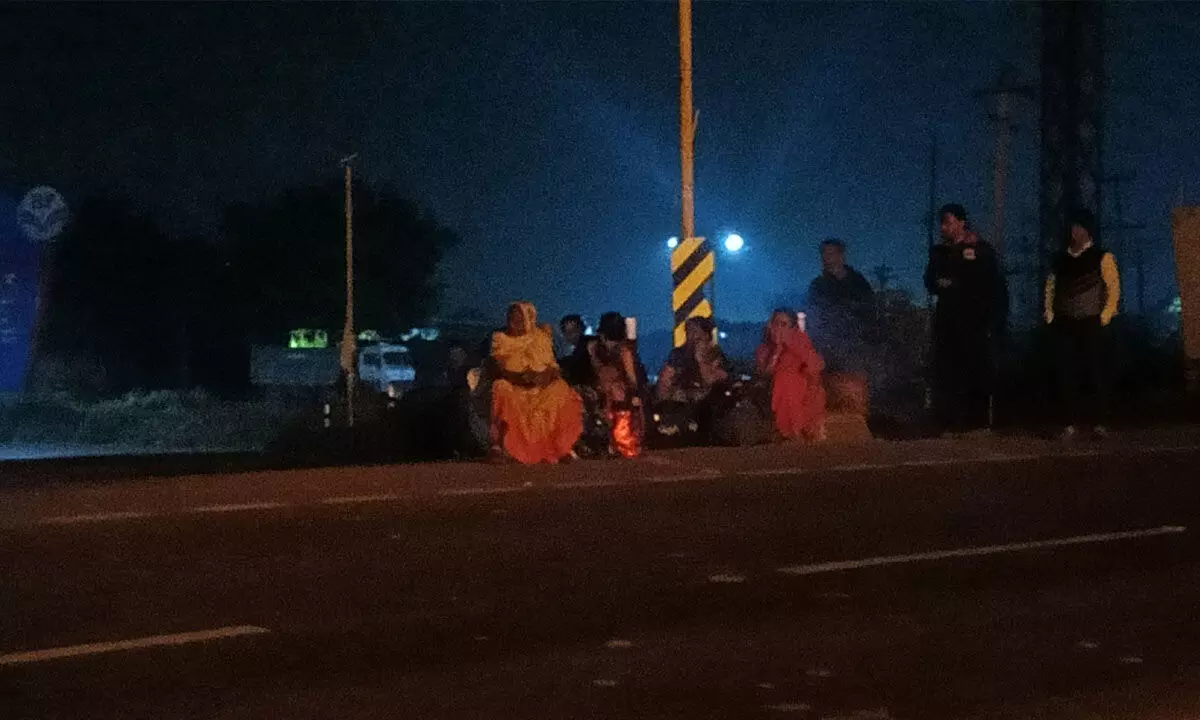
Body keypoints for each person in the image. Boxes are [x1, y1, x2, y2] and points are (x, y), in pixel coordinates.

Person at [924, 203, 1008, 434]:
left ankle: (978, 423)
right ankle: (948, 424)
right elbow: (932, 280)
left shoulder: (980, 249)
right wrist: (945, 283)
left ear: (961, 222)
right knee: (947, 373)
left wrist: (994, 317)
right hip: (947, 322)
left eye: (948, 222)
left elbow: (990, 283)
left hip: (975, 320)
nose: (943, 227)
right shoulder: (938, 252)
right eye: (942, 223)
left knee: (977, 370)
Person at [1044, 208, 1119, 439]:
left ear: (1088, 231)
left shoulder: (1102, 256)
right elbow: (1050, 287)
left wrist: (1105, 315)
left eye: (1079, 227)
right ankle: (1069, 422)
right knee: (1065, 373)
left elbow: (1113, 288)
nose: (1074, 232)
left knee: (1094, 371)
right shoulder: (1059, 259)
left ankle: (1100, 422)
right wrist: (1049, 313)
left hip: (1091, 320)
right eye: (1073, 227)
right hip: (1065, 321)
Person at [489, 301, 583, 463]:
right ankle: (503, 446)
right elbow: (499, 368)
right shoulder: (500, 339)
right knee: (500, 387)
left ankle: (560, 447)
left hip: (541, 387)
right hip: (515, 385)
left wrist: (544, 377)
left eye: (519, 319)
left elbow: (553, 367)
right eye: (511, 318)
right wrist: (520, 378)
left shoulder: (541, 337)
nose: (514, 322)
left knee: (560, 389)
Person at [755, 309, 827, 442]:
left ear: (793, 328)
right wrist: (777, 351)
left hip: (804, 391)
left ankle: (797, 431)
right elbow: (763, 373)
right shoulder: (764, 350)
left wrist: (791, 346)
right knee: (784, 380)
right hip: (773, 393)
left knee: (790, 381)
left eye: (783, 325)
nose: (778, 328)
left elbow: (815, 367)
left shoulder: (801, 343)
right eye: (776, 324)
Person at [806, 239, 874, 372]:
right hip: (826, 347)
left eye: (830, 253)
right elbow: (812, 314)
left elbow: (869, 311)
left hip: (855, 347)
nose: (826, 258)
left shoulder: (858, 282)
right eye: (823, 254)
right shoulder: (817, 285)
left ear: (841, 256)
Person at [588, 311, 645, 457]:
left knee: (617, 395)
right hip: (602, 391)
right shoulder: (596, 348)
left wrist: (634, 394)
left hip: (617, 395)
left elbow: (631, 377)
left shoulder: (623, 351)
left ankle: (621, 442)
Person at [656, 316, 730, 404]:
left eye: (695, 331)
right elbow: (664, 382)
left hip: (709, 404)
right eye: (688, 331)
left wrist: (700, 360)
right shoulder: (678, 355)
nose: (691, 335)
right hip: (682, 404)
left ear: (706, 335)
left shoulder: (716, 355)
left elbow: (718, 379)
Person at [557, 314, 594, 387]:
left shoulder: (586, 346)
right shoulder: (579, 349)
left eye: (574, 331)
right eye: (567, 332)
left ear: (581, 329)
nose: (571, 335)